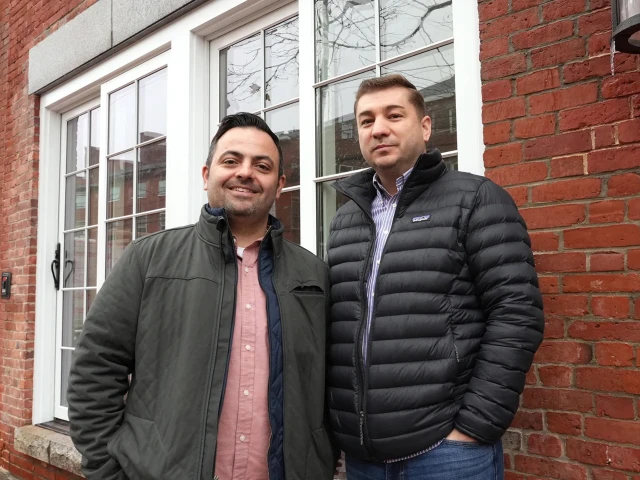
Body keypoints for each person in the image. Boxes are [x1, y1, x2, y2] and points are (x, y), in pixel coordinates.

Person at [68, 113, 338, 480]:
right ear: (207, 174)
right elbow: (96, 369)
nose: (246, 172)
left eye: (262, 166)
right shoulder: (148, 260)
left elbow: (331, 384)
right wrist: (107, 470)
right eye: (231, 161)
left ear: (279, 186)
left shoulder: (314, 275)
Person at [326, 74, 544, 480]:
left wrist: (474, 425)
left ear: (425, 127)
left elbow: (517, 313)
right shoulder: (345, 219)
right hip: (361, 457)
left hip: (445, 452)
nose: (379, 129)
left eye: (394, 115)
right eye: (366, 120)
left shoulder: (475, 198)